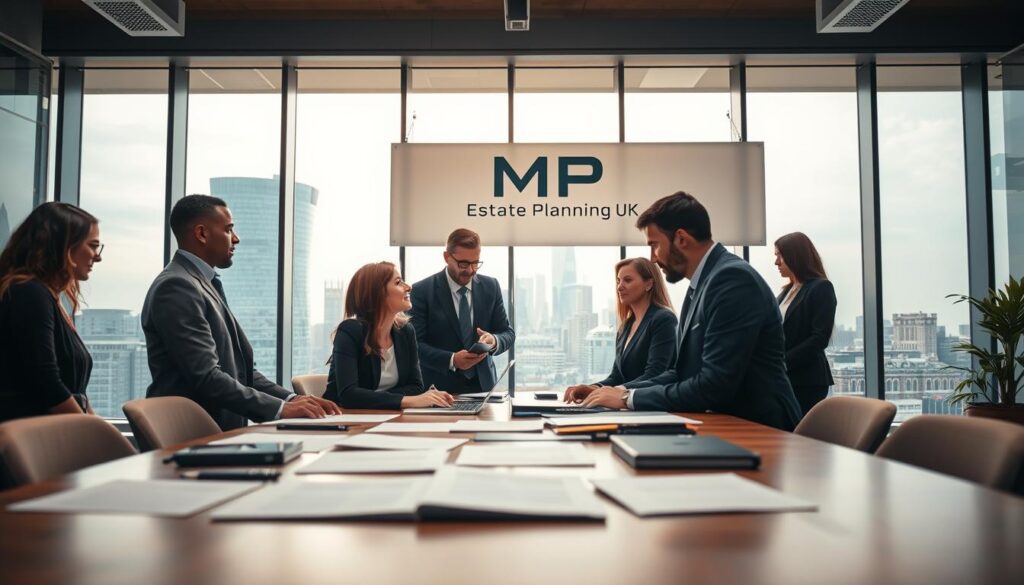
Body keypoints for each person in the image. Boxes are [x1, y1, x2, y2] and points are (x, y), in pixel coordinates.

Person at [567, 191, 802, 431]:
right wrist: (618, 393)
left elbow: (713, 385)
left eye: (654, 245)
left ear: (681, 239)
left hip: (762, 429)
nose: (653, 259)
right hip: (727, 424)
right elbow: (681, 373)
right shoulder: (699, 287)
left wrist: (627, 399)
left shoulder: (733, 279)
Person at [142, 194, 339, 431]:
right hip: (191, 438)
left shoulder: (201, 283)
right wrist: (280, 409)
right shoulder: (176, 287)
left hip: (218, 436)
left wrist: (290, 400)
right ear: (202, 233)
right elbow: (206, 376)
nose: (236, 239)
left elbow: (242, 373)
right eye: (228, 230)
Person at [0, 203, 102, 422]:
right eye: (93, 246)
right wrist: (93, 433)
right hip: (38, 442)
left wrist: (99, 429)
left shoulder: (44, 295)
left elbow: (74, 390)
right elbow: (46, 382)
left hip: (50, 433)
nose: (97, 256)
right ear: (65, 246)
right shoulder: (29, 294)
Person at [323, 262, 455, 409]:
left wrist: (374, 397)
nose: (408, 287)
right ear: (377, 293)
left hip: (386, 416)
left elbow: (416, 387)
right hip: (344, 421)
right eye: (398, 282)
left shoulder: (406, 332)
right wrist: (407, 400)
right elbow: (349, 395)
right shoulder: (350, 331)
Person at [409, 228, 515, 394]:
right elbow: (414, 344)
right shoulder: (422, 291)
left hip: (483, 388)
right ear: (446, 257)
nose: (471, 270)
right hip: (437, 390)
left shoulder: (491, 287)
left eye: (475, 263)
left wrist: (494, 341)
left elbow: (507, 333)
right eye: (463, 263)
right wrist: (452, 360)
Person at [564, 258, 676, 399]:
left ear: (649, 284)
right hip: (626, 406)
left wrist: (612, 392)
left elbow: (655, 374)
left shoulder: (663, 319)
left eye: (627, 280)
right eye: (618, 281)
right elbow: (616, 377)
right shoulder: (625, 326)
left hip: (651, 405)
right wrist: (591, 388)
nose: (619, 287)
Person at [774, 232, 837, 416]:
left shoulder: (821, 288)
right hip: (786, 378)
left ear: (795, 256)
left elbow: (819, 338)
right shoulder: (786, 292)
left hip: (807, 380)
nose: (776, 262)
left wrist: (783, 362)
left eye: (780, 255)